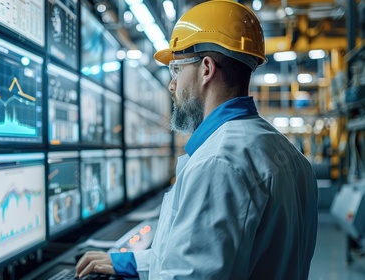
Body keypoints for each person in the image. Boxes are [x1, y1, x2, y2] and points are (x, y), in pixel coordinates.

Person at [75, 0, 318, 279]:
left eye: (176, 69)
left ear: (206, 69)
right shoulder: (291, 155)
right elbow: (212, 257)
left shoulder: (218, 162)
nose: (171, 84)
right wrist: (128, 262)